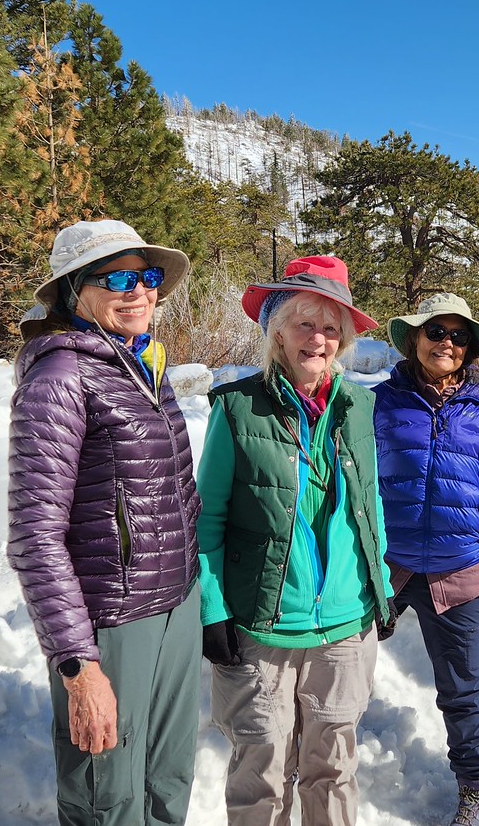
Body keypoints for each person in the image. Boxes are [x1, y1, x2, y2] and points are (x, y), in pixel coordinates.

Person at [7, 219, 204, 826]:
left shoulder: (142, 365)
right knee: (107, 795)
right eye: (116, 279)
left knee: (168, 778)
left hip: (175, 605)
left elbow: (174, 496)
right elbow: (34, 536)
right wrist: (78, 665)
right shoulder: (60, 377)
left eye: (147, 276)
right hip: (111, 621)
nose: (138, 291)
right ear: (75, 291)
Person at [197, 256, 394, 826]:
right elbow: (207, 520)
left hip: (346, 625)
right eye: (305, 323)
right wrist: (212, 609)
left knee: (333, 769)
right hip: (263, 624)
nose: (318, 338)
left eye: (331, 327)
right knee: (260, 773)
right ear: (277, 332)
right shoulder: (237, 408)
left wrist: (379, 587)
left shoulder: (359, 406)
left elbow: (369, 505)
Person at [373, 293, 479, 826]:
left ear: (471, 347)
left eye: (459, 336)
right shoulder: (379, 403)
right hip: (388, 566)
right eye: (436, 332)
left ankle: (478, 786)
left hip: (464, 567)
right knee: (340, 670)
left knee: (463, 686)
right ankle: (322, 765)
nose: (447, 343)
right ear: (413, 338)